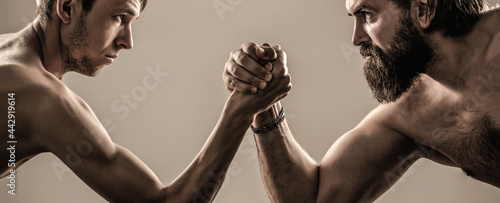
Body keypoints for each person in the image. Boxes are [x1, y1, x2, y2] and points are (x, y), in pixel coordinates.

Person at [0, 0, 291, 202]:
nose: (127, 40)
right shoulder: (41, 98)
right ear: (67, 8)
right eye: (119, 18)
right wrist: (241, 111)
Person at [223, 0, 500, 202]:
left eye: (367, 15)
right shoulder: (410, 114)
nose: (355, 39)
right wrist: (264, 105)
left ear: (424, 8)